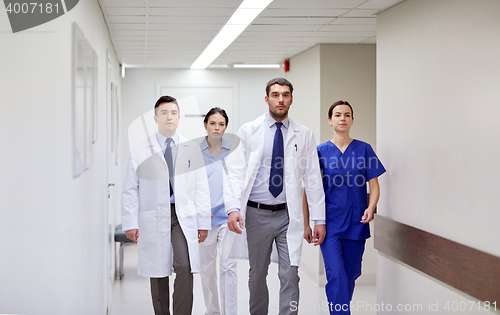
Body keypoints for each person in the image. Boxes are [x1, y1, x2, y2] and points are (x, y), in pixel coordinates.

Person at [223, 78, 326, 315]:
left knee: (290, 274)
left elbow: (312, 179)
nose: (281, 99)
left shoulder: (305, 134)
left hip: (288, 216)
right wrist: (232, 208)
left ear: (291, 99)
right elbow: (234, 173)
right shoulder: (249, 131)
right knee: (257, 275)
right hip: (256, 214)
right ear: (267, 99)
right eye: (276, 94)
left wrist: (319, 219)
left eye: (286, 94)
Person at [121, 95, 211, 315]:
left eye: (173, 113)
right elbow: (130, 189)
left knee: (184, 265)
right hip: (155, 215)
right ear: (155, 118)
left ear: (179, 117)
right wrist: (130, 223)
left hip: (183, 215)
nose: (168, 117)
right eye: (163, 113)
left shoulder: (191, 148)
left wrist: (203, 222)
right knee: (158, 269)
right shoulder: (141, 150)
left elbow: (201, 187)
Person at [303, 100, 386, 314]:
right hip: (329, 224)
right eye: (338, 115)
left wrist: (371, 207)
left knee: (350, 275)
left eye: (347, 115)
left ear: (352, 120)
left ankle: (340, 309)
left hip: (357, 222)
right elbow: (307, 191)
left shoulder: (364, 149)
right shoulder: (319, 152)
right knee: (336, 275)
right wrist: (307, 224)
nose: (342, 118)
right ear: (330, 120)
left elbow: (374, 186)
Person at [198, 107, 238, 315]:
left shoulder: (233, 150)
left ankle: (230, 312)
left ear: (226, 127)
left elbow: (238, 182)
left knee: (228, 266)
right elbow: (188, 186)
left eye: (221, 124)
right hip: (204, 219)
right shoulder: (194, 152)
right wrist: (199, 210)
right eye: (212, 123)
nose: (216, 127)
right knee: (207, 270)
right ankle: (212, 311)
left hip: (227, 218)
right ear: (205, 125)